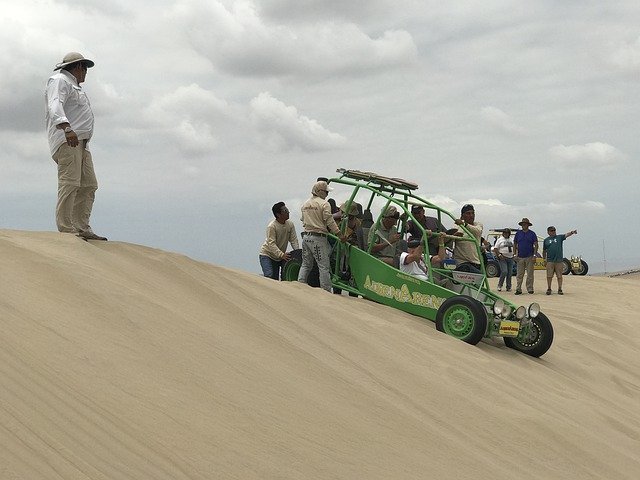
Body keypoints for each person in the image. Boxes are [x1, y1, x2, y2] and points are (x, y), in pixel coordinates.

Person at [45, 52, 106, 241]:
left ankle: (81, 227)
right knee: (70, 183)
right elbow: (54, 105)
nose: (86, 73)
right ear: (78, 67)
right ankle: (66, 229)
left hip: (82, 144)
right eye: (85, 68)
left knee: (89, 185)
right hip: (68, 139)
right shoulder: (59, 80)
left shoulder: (74, 86)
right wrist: (66, 128)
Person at [298, 181, 347, 292]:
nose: (327, 194)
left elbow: (302, 220)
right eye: (326, 192)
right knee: (323, 265)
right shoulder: (324, 204)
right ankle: (326, 291)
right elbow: (329, 221)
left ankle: (299, 286)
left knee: (306, 264)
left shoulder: (305, 204)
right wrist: (339, 234)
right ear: (320, 191)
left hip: (306, 237)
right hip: (318, 238)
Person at [259, 202, 299, 280]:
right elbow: (271, 244)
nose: (288, 212)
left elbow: (293, 240)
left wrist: (297, 252)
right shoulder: (272, 226)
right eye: (285, 210)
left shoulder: (290, 224)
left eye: (287, 209)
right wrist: (281, 255)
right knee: (269, 276)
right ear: (278, 214)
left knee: (278, 280)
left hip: (279, 257)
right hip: (267, 255)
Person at [543, 226, 578, 295]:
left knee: (559, 276)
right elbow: (544, 251)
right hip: (550, 261)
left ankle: (560, 288)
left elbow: (566, 235)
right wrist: (544, 259)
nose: (553, 232)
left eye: (554, 230)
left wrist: (572, 232)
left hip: (559, 260)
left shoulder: (559, 237)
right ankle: (549, 288)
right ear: (548, 232)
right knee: (549, 276)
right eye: (551, 231)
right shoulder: (546, 240)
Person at [453, 204, 483, 273]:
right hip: (462, 262)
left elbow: (477, 231)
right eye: (468, 213)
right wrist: (454, 236)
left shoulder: (478, 225)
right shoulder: (457, 227)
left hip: (476, 262)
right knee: (479, 277)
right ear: (463, 215)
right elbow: (451, 239)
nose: (471, 215)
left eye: (473, 213)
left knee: (478, 281)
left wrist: (464, 224)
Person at [513, 217, 538, 295]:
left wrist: (534, 255)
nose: (524, 225)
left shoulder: (532, 233)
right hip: (520, 257)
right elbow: (514, 244)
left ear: (528, 225)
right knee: (519, 274)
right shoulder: (518, 233)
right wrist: (514, 254)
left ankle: (530, 288)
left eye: (525, 224)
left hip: (529, 256)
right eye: (523, 224)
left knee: (530, 274)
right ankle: (518, 289)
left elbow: (536, 244)